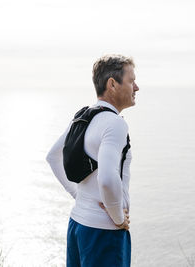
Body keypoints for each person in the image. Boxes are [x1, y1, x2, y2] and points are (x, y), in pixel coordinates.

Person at [46, 54, 139, 267]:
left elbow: (52, 157)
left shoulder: (84, 117)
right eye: (131, 81)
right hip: (105, 233)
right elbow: (106, 178)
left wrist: (78, 194)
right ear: (112, 84)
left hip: (77, 225)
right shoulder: (115, 124)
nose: (136, 87)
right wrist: (118, 219)